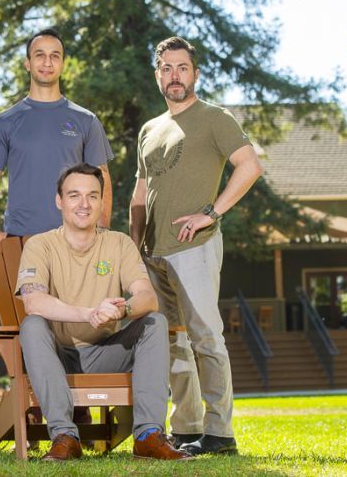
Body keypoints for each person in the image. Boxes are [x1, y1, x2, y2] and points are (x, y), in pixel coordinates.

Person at [129, 36, 264, 456]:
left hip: (195, 247)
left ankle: (220, 432)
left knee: (206, 338)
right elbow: (140, 190)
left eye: (182, 68)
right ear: (157, 76)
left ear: (195, 73)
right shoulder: (150, 129)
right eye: (166, 68)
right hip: (154, 253)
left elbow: (250, 166)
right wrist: (134, 244)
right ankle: (186, 428)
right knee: (173, 341)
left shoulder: (214, 118)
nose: (175, 76)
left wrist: (212, 212)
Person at [16, 163, 193, 462]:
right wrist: (88, 313)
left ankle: (148, 436)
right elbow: (34, 302)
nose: (84, 204)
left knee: (155, 322)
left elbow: (148, 298)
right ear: (59, 201)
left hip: (106, 353)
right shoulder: (40, 245)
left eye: (92, 196)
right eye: (74, 195)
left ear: (101, 202)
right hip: (56, 354)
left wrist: (122, 309)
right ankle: (64, 437)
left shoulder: (119, 243)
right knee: (32, 324)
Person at [0, 28, 114, 240]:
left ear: (62, 64)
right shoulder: (4, 122)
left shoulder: (86, 120)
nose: (47, 62)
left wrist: (103, 233)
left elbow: (102, 177)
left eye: (55, 56)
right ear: (28, 63)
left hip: (74, 238)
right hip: (21, 239)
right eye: (40, 55)